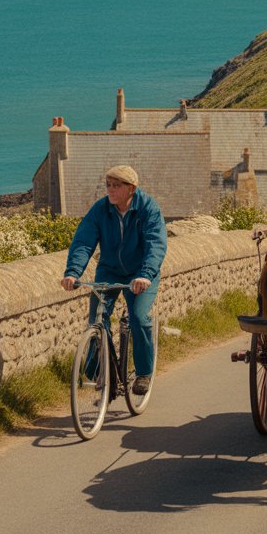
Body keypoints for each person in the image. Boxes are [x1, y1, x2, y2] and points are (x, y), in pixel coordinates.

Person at [61, 166, 166, 395]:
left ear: (131, 189)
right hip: (109, 271)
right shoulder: (101, 209)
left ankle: (143, 373)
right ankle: (100, 371)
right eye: (108, 185)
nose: (111, 190)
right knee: (97, 318)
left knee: (139, 317)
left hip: (140, 273)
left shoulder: (148, 208)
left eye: (117, 186)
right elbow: (83, 242)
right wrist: (73, 272)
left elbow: (155, 244)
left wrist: (145, 274)